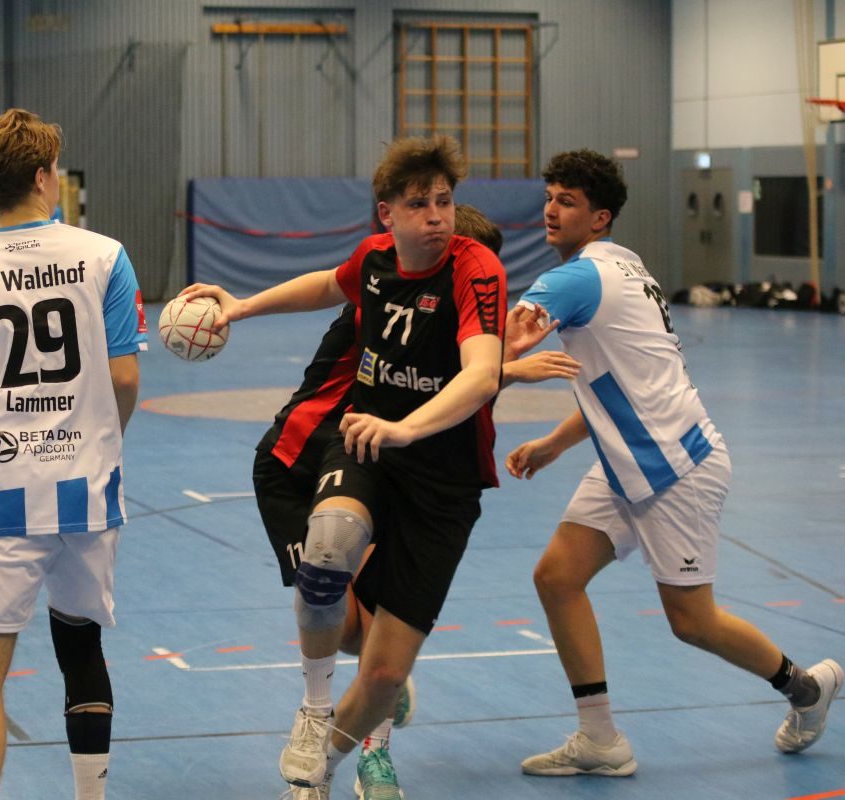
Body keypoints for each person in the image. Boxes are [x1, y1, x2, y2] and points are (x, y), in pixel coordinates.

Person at [185, 136, 523, 800]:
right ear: (386, 213)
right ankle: (313, 711)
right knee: (329, 546)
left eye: (444, 201)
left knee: (384, 676)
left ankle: (329, 763)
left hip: (442, 480)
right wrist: (242, 307)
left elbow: (482, 374)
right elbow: (326, 283)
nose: (436, 215)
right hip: (366, 445)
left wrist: (408, 428)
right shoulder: (373, 260)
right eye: (419, 204)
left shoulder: (474, 267)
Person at [504, 148, 842, 777]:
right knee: (556, 577)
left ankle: (805, 687)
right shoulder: (628, 267)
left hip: (675, 469)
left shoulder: (575, 279)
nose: (551, 210)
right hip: (629, 461)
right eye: (549, 197)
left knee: (691, 621)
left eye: (567, 202)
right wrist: (554, 443)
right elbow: (621, 383)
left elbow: (502, 346)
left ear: (600, 218)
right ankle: (600, 739)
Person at [251, 204, 578, 798]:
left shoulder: (461, 323)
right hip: (296, 464)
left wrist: (499, 362)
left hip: (383, 463)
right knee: (345, 624)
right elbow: (436, 366)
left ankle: (370, 749)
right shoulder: (387, 298)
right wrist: (505, 367)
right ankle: (363, 696)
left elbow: (459, 386)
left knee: (380, 633)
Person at [0, 108, 147, 800]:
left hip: (5, 492)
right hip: (89, 487)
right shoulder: (105, 257)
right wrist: (100, 439)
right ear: (43, 175)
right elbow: (123, 378)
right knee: (80, 643)